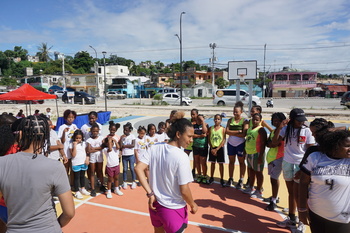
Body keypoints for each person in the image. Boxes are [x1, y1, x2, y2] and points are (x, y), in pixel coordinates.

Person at [0, 115, 75, 232]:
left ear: (19, 135)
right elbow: (69, 212)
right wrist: (54, 226)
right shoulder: (55, 167)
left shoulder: (2, 163)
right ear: (46, 138)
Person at [135, 111, 198, 233]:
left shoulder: (154, 148)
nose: (191, 140)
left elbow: (138, 168)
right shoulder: (182, 157)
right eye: (189, 136)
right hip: (173, 209)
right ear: (178, 134)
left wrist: (150, 194)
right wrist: (193, 204)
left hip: (155, 205)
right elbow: (184, 190)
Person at [299, 130, 350, 233]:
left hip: (342, 218)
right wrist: (302, 209)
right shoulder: (315, 157)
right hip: (316, 214)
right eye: (347, 146)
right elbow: (303, 183)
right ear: (335, 145)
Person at [273, 108, 315, 229]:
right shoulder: (286, 129)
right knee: (291, 192)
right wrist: (280, 127)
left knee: (301, 194)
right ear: (291, 119)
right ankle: (292, 218)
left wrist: (303, 168)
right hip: (287, 163)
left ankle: (302, 221)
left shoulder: (306, 130)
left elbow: (311, 150)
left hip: (300, 164)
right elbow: (275, 142)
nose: (301, 122)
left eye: (302, 120)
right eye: (298, 120)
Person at [242, 113, 267, 199]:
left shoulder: (261, 130)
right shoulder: (249, 129)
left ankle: (259, 190)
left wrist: (260, 156)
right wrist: (245, 151)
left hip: (257, 153)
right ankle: (251, 187)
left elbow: (263, 144)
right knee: (251, 171)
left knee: (258, 172)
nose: (255, 121)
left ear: (260, 121)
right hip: (249, 153)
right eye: (253, 120)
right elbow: (247, 141)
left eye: (257, 120)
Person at [265, 112, 286, 211]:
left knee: (274, 179)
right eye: (274, 120)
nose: (276, 122)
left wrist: (271, 143)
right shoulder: (274, 131)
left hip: (279, 158)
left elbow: (274, 143)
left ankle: (273, 200)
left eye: (278, 121)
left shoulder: (283, 132)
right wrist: (271, 143)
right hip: (272, 158)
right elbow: (268, 143)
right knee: (273, 179)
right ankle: (274, 196)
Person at [225, 101, 248, 188]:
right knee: (231, 162)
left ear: (241, 112)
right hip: (231, 144)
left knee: (241, 162)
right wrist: (238, 131)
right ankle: (230, 178)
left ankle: (241, 179)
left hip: (240, 144)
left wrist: (232, 133)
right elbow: (226, 131)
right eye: (234, 111)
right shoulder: (230, 120)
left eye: (236, 112)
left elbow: (244, 134)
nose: (235, 113)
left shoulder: (245, 121)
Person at [69, 129, 90, 199]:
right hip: (76, 163)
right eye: (77, 138)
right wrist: (74, 146)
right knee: (76, 178)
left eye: (80, 138)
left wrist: (87, 159)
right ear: (74, 138)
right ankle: (77, 191)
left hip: (83, 162)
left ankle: (83, 188)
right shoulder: (71, 145)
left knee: (82, 176)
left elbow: (87, 152)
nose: (78, 139)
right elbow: (73, 155)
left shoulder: (84, 144)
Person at [58, 110, 78, 179]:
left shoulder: (74, 126)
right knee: (66, 167)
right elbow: (62, 141)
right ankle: (65, 182)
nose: (70, 119)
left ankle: (72, 183)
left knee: (73, 167)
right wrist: (64, 133)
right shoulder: (62, 127)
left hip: (73, 149)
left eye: (72, 117)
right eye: (69, 117)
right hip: (66, 150)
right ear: (65, 118)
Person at [102, 132, 123, 199]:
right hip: (110, 167)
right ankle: (109, 191)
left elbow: (118, 147)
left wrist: (115, 141)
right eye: (109, 142)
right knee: (110, 180)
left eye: (112, 142)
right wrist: (109, 140)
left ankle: (116, 189)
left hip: (116, 165)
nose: (111, 143)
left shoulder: (115, 148)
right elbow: (110, 149)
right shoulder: (105, 149)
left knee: (116, 178)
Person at [86, 123, 104, 197]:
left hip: (99, 157)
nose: (95, 133)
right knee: (92, 172)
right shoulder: (89, 140)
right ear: (91, 131)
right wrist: (97, 149)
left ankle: (102, 185)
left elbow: (102, 147)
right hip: (92, 157)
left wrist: (94, 149)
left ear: (98, 131)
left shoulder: (101, 138)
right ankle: (93, 188)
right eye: (93, 131)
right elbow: (88, 150)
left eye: (96, 131)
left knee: (99, 171)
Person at [208, 114, 226, 187]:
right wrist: (212, 148)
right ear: (214, 120)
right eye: (215, 119)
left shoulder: (223, 129)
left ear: (221, 120)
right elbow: (209, 138)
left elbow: (224, 139)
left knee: (221, 164)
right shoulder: (211, 128)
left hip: (219, 148)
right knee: (212, 163)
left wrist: (217, 149)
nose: (216, 120)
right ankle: (211, 177)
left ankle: (222, 178)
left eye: (218, 119)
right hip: (212, 147)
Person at [192, 113, 209, 184]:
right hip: (196, 146)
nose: (199, 120)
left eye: (200, 119)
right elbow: (192, 134)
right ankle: (199, 175)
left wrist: (203, 122)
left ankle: (204, 176)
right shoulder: (193, 125)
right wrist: (200, 136)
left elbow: (205, 132)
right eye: (198, 119)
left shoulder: (206, 125)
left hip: (203, 146)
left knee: (203, 162)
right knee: (197, 161)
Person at [120, 122, 137, 190]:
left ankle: (134, 181)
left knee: (132, 168)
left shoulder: (132, 136)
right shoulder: (122, 137)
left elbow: (132, 145)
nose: (125, 131)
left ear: (130, 130)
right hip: (124, 155)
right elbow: (121, 146)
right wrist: (121, 139)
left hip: (131, 155)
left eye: (126, 130)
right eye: (124, 130)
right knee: (125, 169)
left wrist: (125, 146)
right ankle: (124, 181)